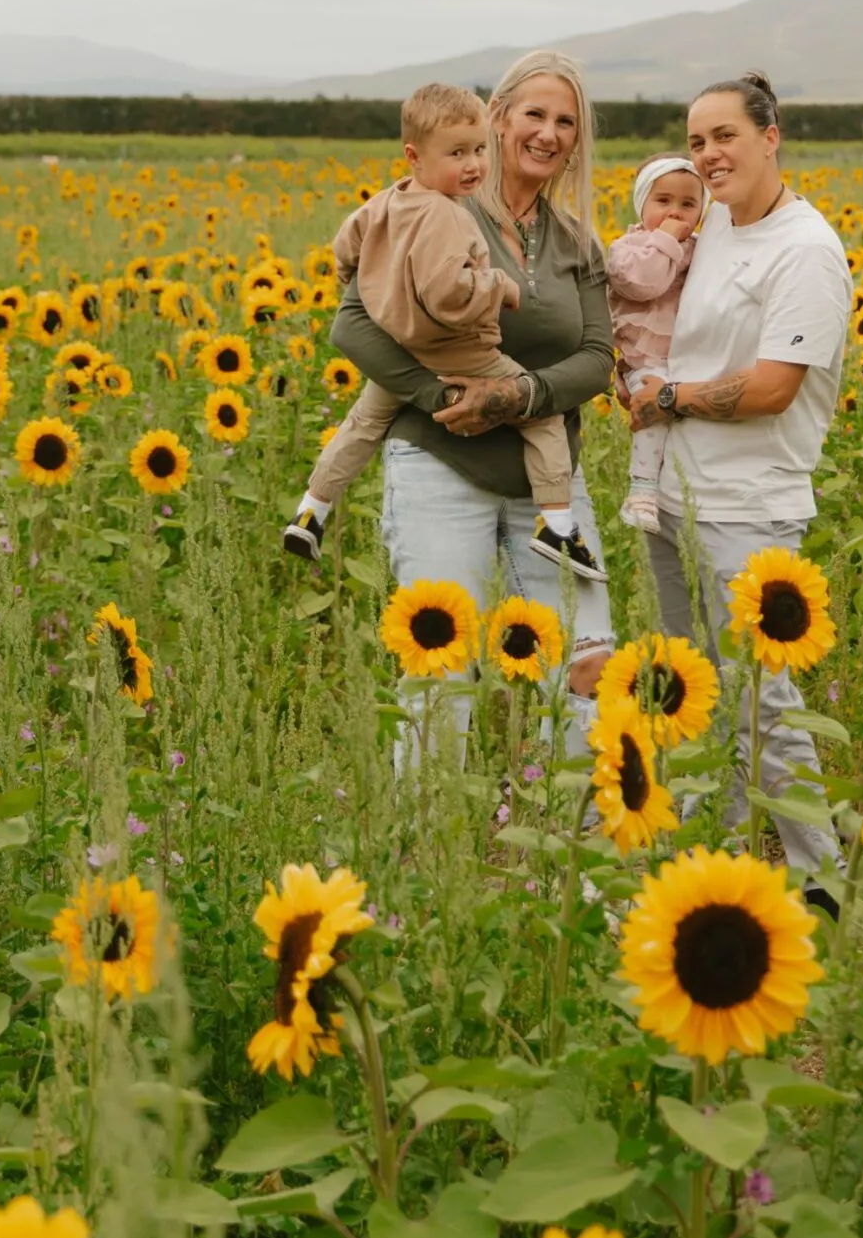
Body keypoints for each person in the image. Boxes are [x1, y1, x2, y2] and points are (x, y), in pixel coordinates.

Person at [330, 50, 617, 734]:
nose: (549, 133)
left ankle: (583, 833)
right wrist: (439, 399)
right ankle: (423, 840)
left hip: (548, 485)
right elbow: (353, 327)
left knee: (590, 662)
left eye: (566, 122)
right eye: (535, 115)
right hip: (439, 467)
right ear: (496, 119)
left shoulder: (574, 240)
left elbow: (597, 359)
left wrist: (516, 397)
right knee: (441, 668)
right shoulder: (433, 209)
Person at [627, 72, 852, 902]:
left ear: (771, 135)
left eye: (724, 136)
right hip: (676, 496)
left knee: (764, 699)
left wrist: (670, 398)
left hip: (748, 505)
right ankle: (713, 856)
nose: (709, 155)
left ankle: (820, 877)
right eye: (695, 141)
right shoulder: (711, 223)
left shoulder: (807, 251)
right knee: (696, 687)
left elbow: (772, 387)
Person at [283, 82, 602, 578]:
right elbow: (448, 296)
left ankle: (312, 508)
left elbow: (348, 241)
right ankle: (558, 526)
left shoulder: (391, 199)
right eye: (458, 153)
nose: (473, 164)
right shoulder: (451, 215)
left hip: (408, 353)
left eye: (477, 151)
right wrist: (498, 285)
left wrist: (354, 272)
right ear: (415, 155)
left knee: (362, 425)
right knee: (544, 422)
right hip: (459, 352)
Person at [605, 155, 705, 532]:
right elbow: (646, 283)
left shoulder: (700, 248)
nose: (674, 213)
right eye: (662, 201)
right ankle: (641, 491)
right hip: (645, 360)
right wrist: (666, 239)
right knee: (653, 412)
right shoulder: (628, 249)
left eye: (688, 204)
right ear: (641, 202)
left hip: (687, 361)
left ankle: (668, 492)